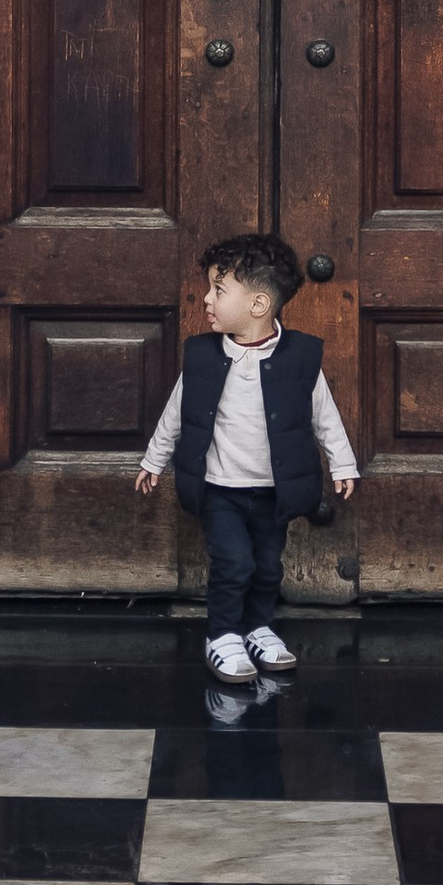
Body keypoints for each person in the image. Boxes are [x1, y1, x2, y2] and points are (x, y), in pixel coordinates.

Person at [135, 234, 358, 682]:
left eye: (218, 290)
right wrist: (153, 460)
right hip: (220, 489)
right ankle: (222, 635)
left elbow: (324, 416)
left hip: (272, 491)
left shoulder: (299, 359)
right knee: (233, 563)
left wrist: (344, 463)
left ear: (258, 305)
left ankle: (258, 628)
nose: (206, 299)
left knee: (267, 566)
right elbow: (176, 414)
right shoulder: (202, 356)